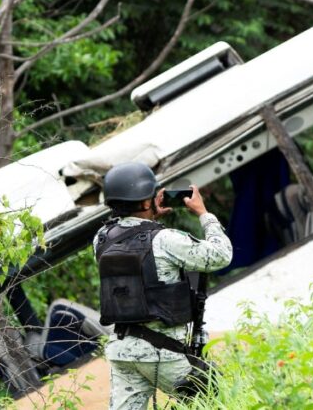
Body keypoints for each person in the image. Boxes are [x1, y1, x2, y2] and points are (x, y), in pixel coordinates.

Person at [94, 162, 232, 410]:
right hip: (163, 353)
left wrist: (148, 216)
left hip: (122, 350)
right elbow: (221, 255)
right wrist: (203, 214)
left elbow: (132, 235)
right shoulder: (165, 239)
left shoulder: (101, 239)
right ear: (147, 201)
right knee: (219, 401)